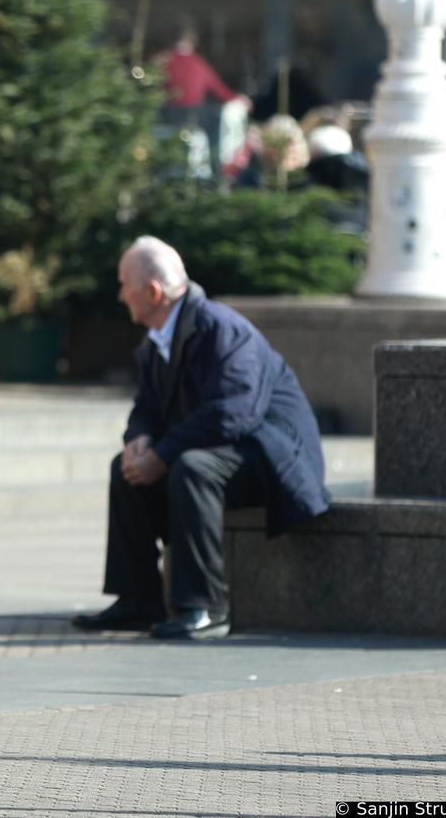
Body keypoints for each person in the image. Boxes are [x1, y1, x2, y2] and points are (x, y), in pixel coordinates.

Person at [71, 237, 329, 640]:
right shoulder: (155, 342)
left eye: (124, 284)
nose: (120, 294)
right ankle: (138, 601)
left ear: (153, 292)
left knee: (191, 469)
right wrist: (138, 440)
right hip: (222, 448)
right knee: (126, 471)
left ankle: (206, 608)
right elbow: (146, 409)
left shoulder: (222, 330)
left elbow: (232, 414)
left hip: (273, 456)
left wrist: (163, 453)